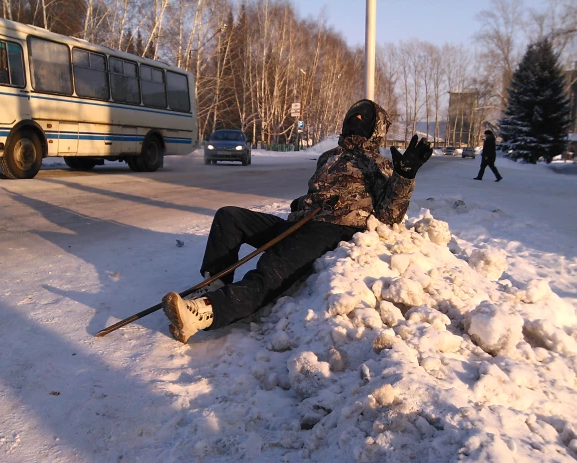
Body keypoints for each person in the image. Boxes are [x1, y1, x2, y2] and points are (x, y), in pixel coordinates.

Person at [163, 99, 433, 343]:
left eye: (363, 118)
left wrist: (404, 176)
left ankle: (205, 312)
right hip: (298, 223)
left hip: (332, 230)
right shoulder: (330, 156)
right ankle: (216, 283)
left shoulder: (380, 165)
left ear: (377, 129)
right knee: (229, 217)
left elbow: (388, 217)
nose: (355, 121)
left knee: (272, 268)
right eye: (353, 116)